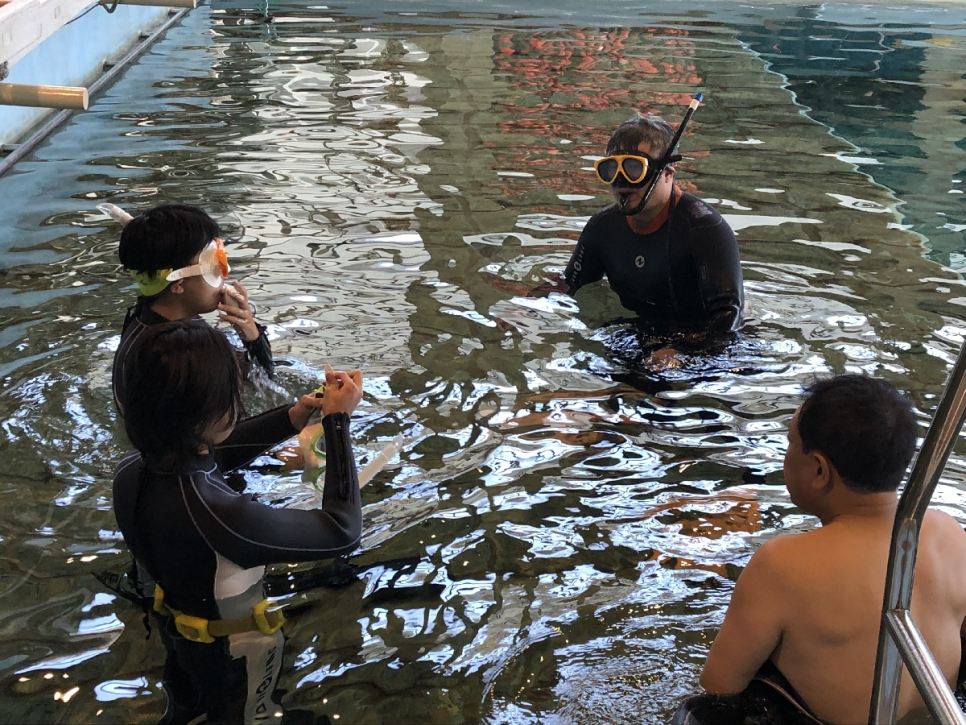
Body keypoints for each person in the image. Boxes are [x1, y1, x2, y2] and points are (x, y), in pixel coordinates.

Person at [113, 321, 364, 724]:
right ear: (211, 411)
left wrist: (293, 417)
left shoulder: (130, 470)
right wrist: (337, 425)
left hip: (179, 631)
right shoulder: (222, 517)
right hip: (235, 653)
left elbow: (207, 455)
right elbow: (342, 531)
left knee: (187, 710)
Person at [698, 375, 966, 722]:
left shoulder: (783, 564)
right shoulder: (950, 533)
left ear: (819, 469)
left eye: (790, 444)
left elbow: (719, 687)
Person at [532, 113, 743, 364]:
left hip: (702, 348)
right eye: (611, 169)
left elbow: (729, 313)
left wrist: (681, 353)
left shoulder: (703, 229)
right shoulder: (603, 227)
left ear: (668, 172)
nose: (621, 180)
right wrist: (524, 307)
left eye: (634, 168)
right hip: (635, 333)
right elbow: (570, 284)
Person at [111, 203, 274, 415]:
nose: (224, 277)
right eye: (214, 268)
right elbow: (262, 387)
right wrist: (290, 419)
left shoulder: (146, 320)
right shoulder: (181, 353)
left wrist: (251, 334)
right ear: (178, 284)